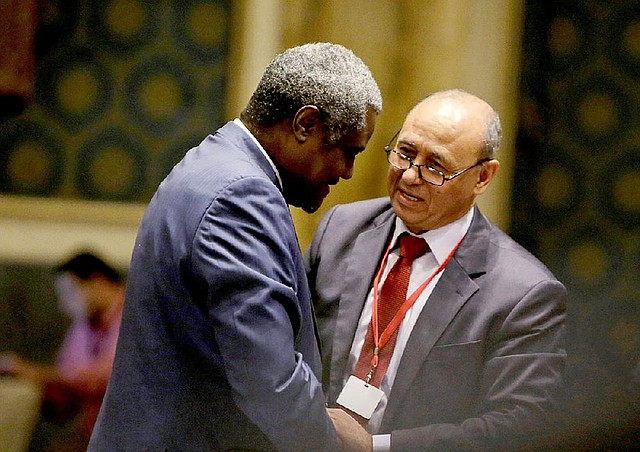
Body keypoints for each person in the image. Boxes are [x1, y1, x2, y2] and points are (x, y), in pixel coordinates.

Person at [88, 42, 382, 451]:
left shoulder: (213, 163)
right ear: (306, 124)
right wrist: (331, 441)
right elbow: (270, 381)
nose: (348, 173)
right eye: (348, 152)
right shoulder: (241, 198)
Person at [305, 89, 567, 451]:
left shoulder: (524, 293)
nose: (411, 176)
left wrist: (377, 448)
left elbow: (515, 427)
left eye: (435, 167)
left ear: (482, 178)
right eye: (406, 154)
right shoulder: (342, 229)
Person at [1, 251, 124, 449]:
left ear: (98, 282)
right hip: (94, 432)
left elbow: (102, 378)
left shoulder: (134, 314)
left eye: (69, 292)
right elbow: (68, 371)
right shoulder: (87, 321)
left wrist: (29, 371)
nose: (64, 304)